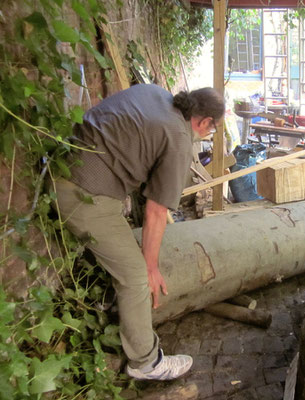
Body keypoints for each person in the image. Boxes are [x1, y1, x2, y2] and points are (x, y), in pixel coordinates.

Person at [53, 84, 225, 380]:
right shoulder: (180, 140)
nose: (210, 135)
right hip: (80, 194)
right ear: (205, 122)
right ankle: (145, 362)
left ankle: (107, 301)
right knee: (135, 275)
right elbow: (156, 211)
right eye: (214, 129)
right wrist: (150, 268)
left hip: (63, 162)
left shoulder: (154, 93)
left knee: (123, 246)